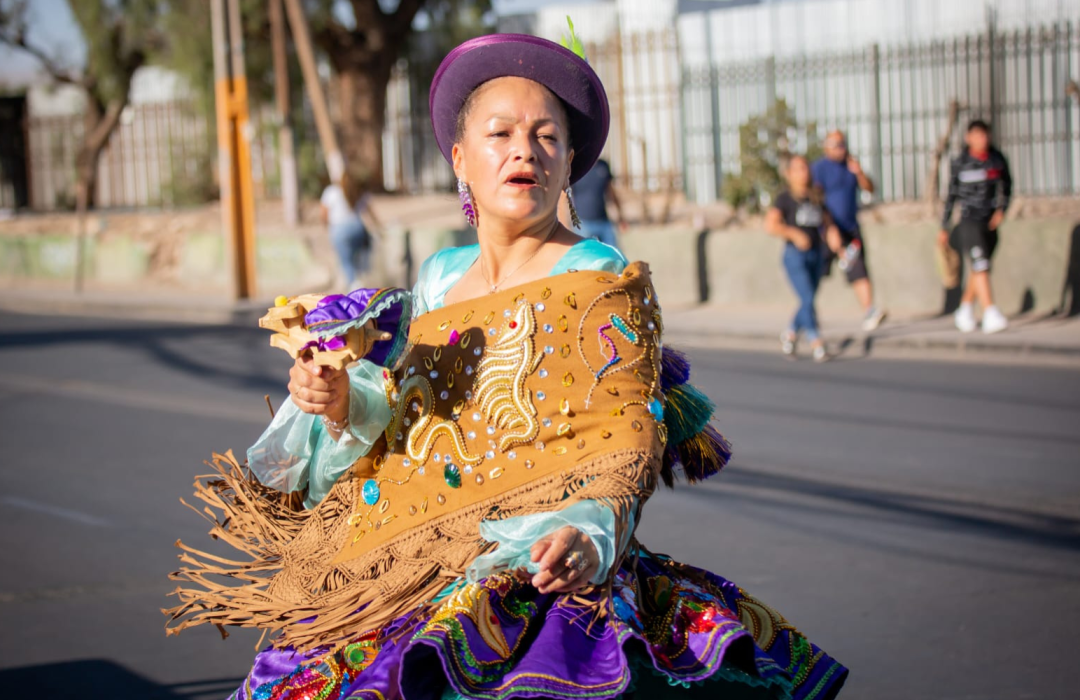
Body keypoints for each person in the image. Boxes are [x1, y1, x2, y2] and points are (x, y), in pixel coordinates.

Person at [166, 33, 847, 700]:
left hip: (534, 568)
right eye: (501, 134)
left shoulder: (595, 273)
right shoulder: (436, 277)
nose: (526, 148)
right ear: (461, 159)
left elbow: (627, 434)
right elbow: (405, 421)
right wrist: (339, 398)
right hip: (410, 566)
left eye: (547, 135)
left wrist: (589, 535)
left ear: (569, 160)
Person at [939, 119, 1013, 334]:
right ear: (968, 138)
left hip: (988, 223)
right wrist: (944, 226)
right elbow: (950, 196)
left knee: (979, 267)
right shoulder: (960, 162)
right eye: (977, 135)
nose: (982, 139)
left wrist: (1002, 210)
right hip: (968, 223)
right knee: (980, 265)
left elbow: (1007, 186)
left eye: (985, 135)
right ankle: (990, 311)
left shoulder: (996, 159)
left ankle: (964, 309)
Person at [811, 130, 887, 332]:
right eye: (836, 144)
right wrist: (828, 228)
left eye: (842, 144)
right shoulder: (819, 168)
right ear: (826, 146)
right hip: (827, 230)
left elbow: (870, 189)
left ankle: (869, 311)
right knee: (815, 272)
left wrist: (859, 172)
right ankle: (807, 310)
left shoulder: (851, 166)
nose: (840, 148)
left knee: (858, 269)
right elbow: (815, 199)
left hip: (850, 229)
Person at [766, 155, 839, 362]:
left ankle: (790, 333)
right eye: (798, 169)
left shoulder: (815, 196)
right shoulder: (784, 199)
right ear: (789, 174)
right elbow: (770, 225)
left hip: (817, 254)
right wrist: (794, 234)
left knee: (808, 299)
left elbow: (827, 221)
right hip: (794, 256)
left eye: (805, 168)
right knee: (807, 297)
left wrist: (834, 238)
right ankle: (816, 342)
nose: (803, 173)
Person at [321, 171, 378, 290]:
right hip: (358, 228)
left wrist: (327, 227)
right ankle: (361, 278)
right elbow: (369, 212)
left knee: (346, 261)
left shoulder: (332, 191)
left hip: (339, 230)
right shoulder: (358, 192)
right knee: (356, 258)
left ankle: (354, 286)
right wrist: (380, 227)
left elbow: (324, 213)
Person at [569, 157, 626, 248]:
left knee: (614, 256)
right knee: (586, 257)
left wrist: (620, 217)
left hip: (603, 221)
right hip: (583, 223)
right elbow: (566, 196)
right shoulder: (577, 167)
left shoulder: (603, 165)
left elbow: (611, 193)